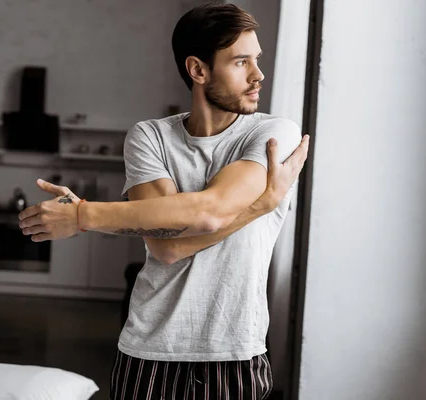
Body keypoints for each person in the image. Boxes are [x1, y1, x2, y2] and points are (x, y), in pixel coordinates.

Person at [19, 3, 309, 399]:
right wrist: (260, 205)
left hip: (234, 352)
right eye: (241, 62)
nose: (258, 75)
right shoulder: (150, 137)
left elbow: (209, 211)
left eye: (256, 60)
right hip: (149, 350)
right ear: (198, 70)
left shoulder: (274, 133)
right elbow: (168, 245)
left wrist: (83, 216)